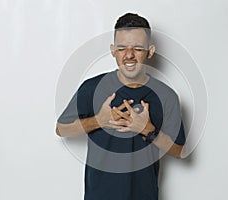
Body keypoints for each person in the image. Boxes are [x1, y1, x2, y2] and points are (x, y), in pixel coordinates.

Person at [56, 13, 186, 200]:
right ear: (113, 50)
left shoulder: (166, 96)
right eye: (122, 48)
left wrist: (148, 130)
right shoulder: (91, 88)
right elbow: (61, 129)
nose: (129, 55)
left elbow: (179, 151)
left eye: (138, 48)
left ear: (150, 51)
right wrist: (99, 121)